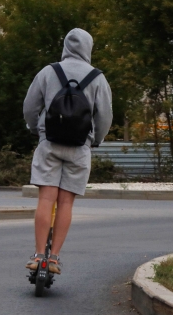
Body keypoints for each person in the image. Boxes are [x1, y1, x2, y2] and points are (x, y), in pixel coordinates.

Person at [22, 28, 112, 274]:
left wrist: (34, 129)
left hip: (49, 143)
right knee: (65, 203)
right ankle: (54, 259)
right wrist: (97, 140)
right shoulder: (97, 78)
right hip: (80, 147)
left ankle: (39, 255)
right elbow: (104, 116)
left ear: (66, 47)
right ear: (88, 48)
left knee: (46, 199)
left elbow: (30, 106)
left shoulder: (49, 72)